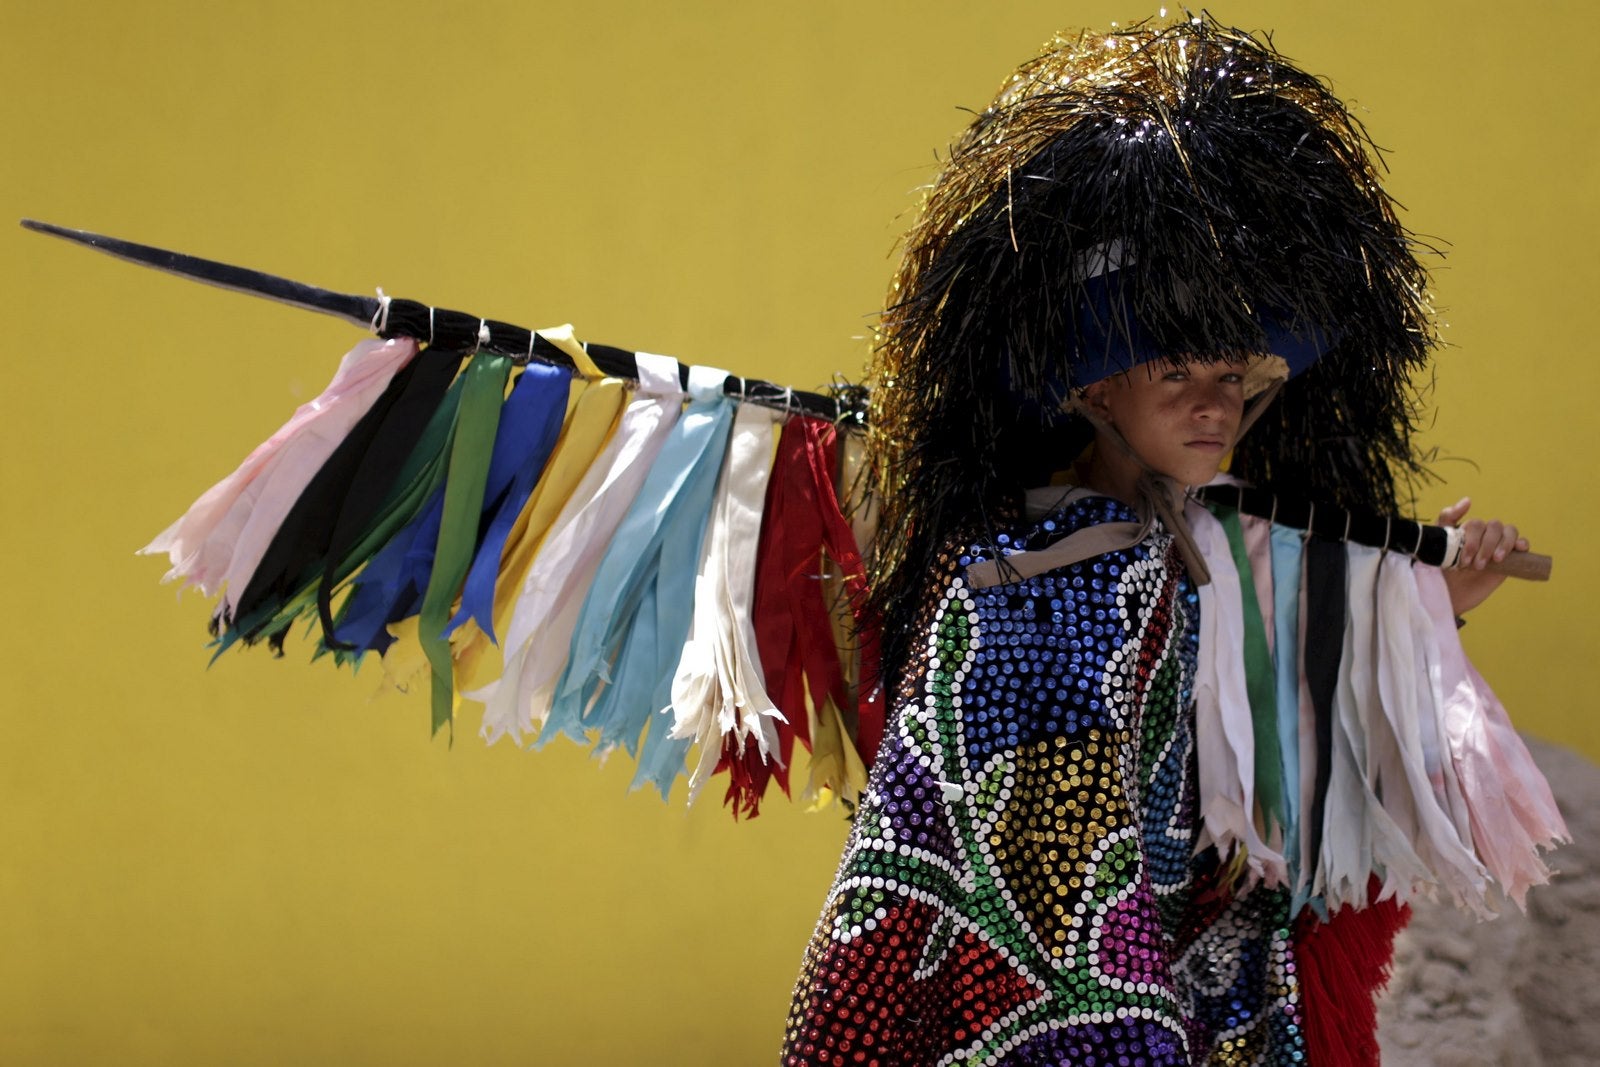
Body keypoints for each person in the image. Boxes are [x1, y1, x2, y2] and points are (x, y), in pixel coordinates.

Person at [782, 16, 1557, 1067]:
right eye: (1176, 375)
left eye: (1230, 377)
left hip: (1185, 974)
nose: (1213, 404)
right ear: (1096, 389)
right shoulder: (1039, 579)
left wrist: (1435, 603)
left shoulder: (1199, 545)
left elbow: (1285, 701)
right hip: (1073, 991)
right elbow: (1047, 872)